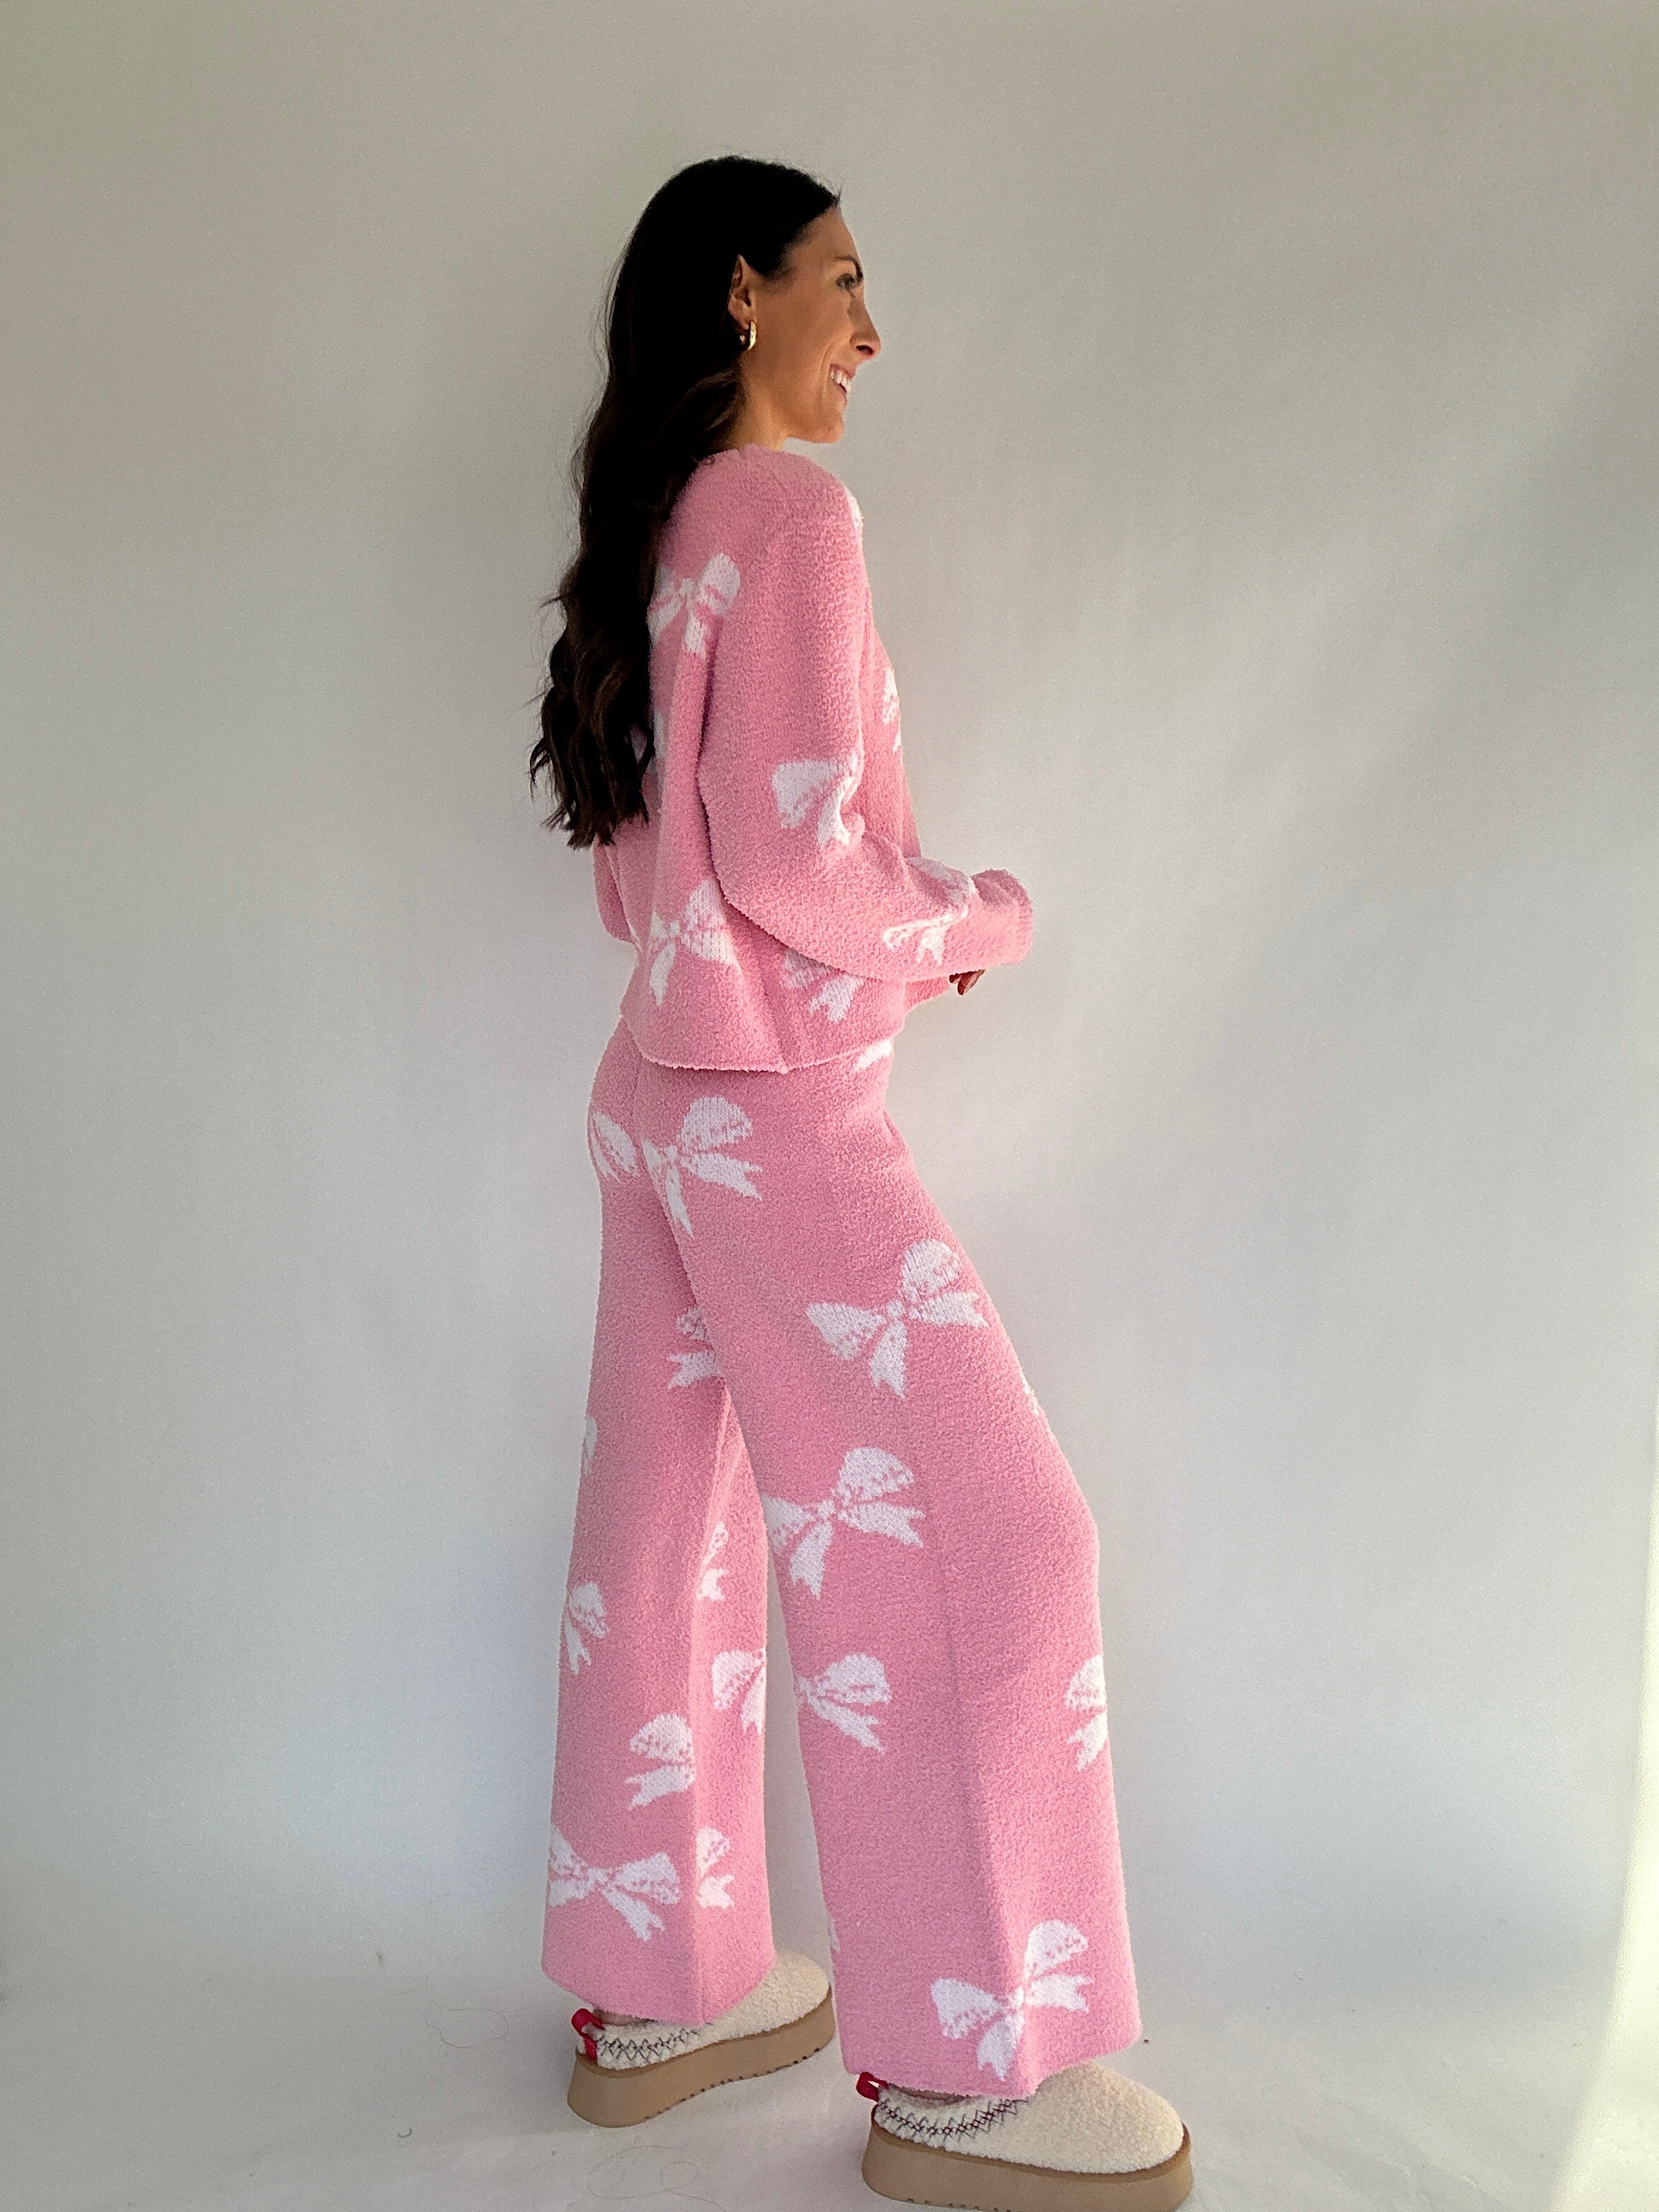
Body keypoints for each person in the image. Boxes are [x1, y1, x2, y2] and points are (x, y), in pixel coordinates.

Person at [527, 154, 1194, 2211]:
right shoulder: (792, 515)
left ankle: (663, 1987)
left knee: (673, 1522)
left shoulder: (656, 527)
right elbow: (802, 858)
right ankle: (969, 2072)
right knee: (996, 1536)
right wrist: (973, 913)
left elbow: (654, 863)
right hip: (780, 1110)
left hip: (657, 1089)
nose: (869, 332)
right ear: (743, 294)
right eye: (843, 283)